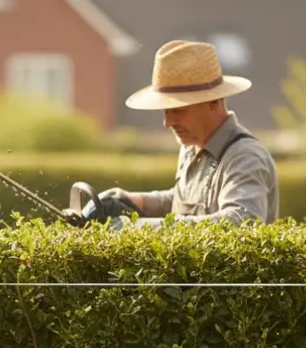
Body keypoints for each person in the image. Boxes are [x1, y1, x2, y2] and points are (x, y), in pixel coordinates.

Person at [93, 39, 280, 228]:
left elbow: (240, 220)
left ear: (213, 102)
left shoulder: (244, 157)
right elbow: (186, 202)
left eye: (178, 110)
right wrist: (133, 200)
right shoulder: (191, 146)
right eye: (165, 111)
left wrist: (137, 228)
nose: (168, 122)